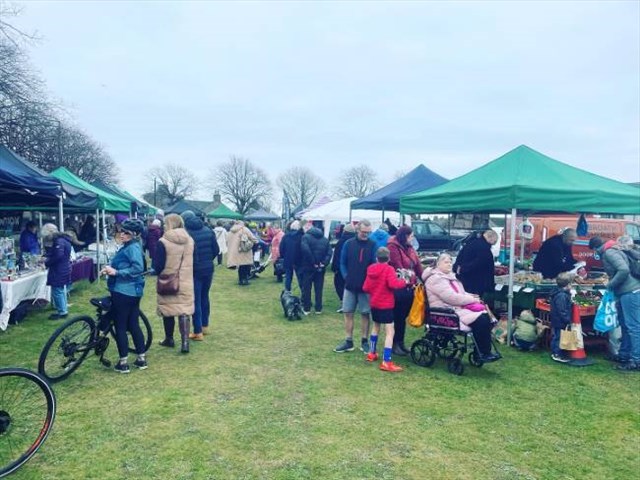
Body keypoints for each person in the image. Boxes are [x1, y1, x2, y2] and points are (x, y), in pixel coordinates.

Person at [422, 253, 500, 363]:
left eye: (450, 262)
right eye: (446, 262)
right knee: (482, 319)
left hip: (455, 309)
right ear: (438, 264)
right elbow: (451, 298)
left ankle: (482, 352)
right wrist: (472, 299)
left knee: (484, 316)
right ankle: (483, 352)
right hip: (445, 312)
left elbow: (460, 293)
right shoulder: (436, 279)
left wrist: (471, 296)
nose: (449, 264)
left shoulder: (449, 277)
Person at [100, 219, 148, 372]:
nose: (122, 234)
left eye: (126, 232)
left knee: (121, 326)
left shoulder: (132, 247)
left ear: (135, 235)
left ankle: (123, 363)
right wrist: (110, 268)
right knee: (133, 324)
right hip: (131, 292)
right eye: (121, 230)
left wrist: (117, 272)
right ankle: (141, 359)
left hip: (124, 291)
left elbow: (137, 268)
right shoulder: (131, 246)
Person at [589, 236, 640, 371]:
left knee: (633, 327)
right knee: (625, 324)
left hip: (630, 292)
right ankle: (624, 355)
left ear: (595, 249)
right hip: (627, 292)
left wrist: (610, 284)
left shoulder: (609, 252)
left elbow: (623, 270)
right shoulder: (612, 249)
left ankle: (636, 360)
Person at [153, 214, 195, 353]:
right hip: (186, 280)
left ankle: (169, 338)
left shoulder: (163, 241)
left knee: (168, 310)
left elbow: (158, 265)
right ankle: (185, 342)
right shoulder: (190, 240)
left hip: (168, 280)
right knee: (184, 310)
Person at [363, 247, 409, 372]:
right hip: (386, 304)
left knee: (375, 326)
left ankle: (372, 353)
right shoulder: (389, 269)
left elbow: (366, 287)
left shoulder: (371, 269)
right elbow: (393, 284)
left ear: (376, 257)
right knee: (390, 332)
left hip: (374, 303)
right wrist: (404, 281)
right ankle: (386, 360)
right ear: (388, 258)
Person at [334, 219, 376, 353]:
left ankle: (364, 341)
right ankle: (348, 341)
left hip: (366, 287)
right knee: (348, 312)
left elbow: (375, 265)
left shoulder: (373, 245)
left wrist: (370, 280)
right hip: (350, 285)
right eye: (364, 232)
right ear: (357, 230)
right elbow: (342, 262)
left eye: (368, 233)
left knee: (365, 313)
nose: (366, 235)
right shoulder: (348, 244)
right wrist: (346, 276)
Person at [182, 211, 219, 340]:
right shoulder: (208, 230)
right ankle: (205, 326)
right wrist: (208, 259)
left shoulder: (187, 234)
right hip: (208, 268)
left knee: (195, 300)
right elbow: (216, 250)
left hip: (194, 270)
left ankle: (197, 332)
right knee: (204, 297)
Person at [387, 225, 423, 356]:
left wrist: (425, 277)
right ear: (405, 236)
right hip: (399, 287)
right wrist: (413, 276)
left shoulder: (410, 248)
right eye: (411, 236)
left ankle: (400, 342)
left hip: (410, 287)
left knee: (403, 316)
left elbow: (417, 265)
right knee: (398, 316)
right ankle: (394, 343)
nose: (413, 238)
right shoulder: (393, 247)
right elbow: (399, 268)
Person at [454, 229, 498, 297]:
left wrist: (459, 268)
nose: (493, 244)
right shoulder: (484, 248)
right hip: (476, 281)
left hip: (464, 277)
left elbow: (460, 257)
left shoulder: (471, 242)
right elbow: (479, 264)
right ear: (490, 238)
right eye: (494, 241)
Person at [300, 223, 332, 314]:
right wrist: (323, 263)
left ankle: (307, 308)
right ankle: (318, 308)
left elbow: (305, 250)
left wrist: (313, 262)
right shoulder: (325, 239)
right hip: (320, 268)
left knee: (307, 288)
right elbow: (329, 253)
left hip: (308, 266)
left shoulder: (305, 237)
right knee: (319, 288)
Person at [41, 224, 71, 320]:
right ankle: (63, 309)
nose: (47, 238)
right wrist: (47, 256)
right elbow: (57, 253)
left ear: (50, 233)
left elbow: (58, 255)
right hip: (64, 267)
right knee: (60, 290)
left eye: (47, 236)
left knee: (57, 290)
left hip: (59, 269)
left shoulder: (59, 241)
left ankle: (62, 311)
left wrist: (47, 263)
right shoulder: (63, 239)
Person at [549, 272, 573, 363]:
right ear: (567, 285)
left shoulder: (560, 293)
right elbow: (562, 310)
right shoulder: (561, 296)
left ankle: (556, 352)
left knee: (557, 336)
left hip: (557, 319)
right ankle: (557, 354)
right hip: (560, 320)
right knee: (559, 337)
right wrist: (567, 319)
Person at [331, 224, 355, 312]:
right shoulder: (355, 241)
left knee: (339, 285)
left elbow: (337, 255)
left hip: (342, 267)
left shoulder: (341, 241)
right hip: (353, 267)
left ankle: (344, 303)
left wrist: (335, 268)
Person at [226, 220, 258, 286]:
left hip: (236, 251)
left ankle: (240, 280)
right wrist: (254, 243)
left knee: (240, 266)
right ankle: (245, 279)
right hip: (244, 250)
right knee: (246, 265)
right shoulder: (244, 229)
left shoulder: (231, 231)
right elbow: (253, 239)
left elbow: (227, 241)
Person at [279, 220, 304, 292]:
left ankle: (287, 292)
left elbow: (281, 248)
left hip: (288, 259)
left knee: (288, 277)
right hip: (299, 259)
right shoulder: (302, 236)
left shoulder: (286, 236)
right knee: (300, 277)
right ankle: (303, 293)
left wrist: (283, 256)